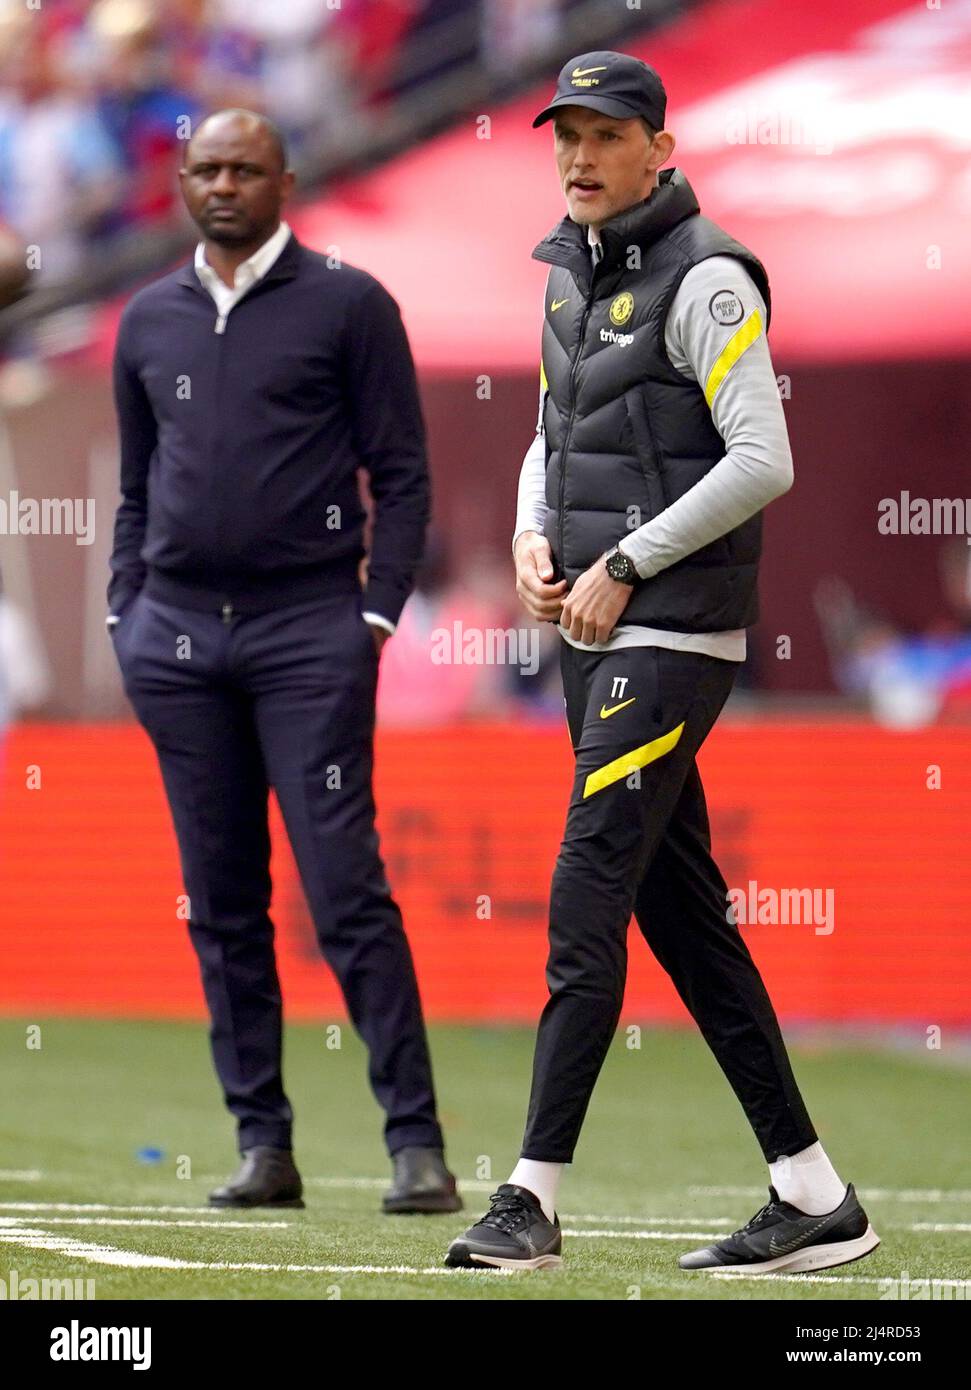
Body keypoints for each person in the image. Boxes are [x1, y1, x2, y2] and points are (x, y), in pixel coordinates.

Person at [446, 52, 878, 1272]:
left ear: (659, 146)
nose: (578, 156)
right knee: (683, 918)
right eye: (563, 135)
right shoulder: (566, 275)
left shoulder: (709, 279)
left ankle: (529, 1197)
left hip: (667, 633)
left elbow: (762, 457)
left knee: (585, 893)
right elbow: (547, 434)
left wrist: (625, 560)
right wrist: (532, 537)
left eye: (604, 133)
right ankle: (812, 1194)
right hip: (591, 626)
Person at [107, 107, 460, 1214]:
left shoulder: (348, 305)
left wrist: (374, 616)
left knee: (344, 888)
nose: (222, 184)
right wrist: (127, 611)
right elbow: (134, 487)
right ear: (181, 181)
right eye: (204, 168)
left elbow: (402, 475)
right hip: (173, 636)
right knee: (220, 902)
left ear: (285, 181)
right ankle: (264, 1145)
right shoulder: (145, 321)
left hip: (310, 630)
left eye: (243, 169)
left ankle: (416, 1146)